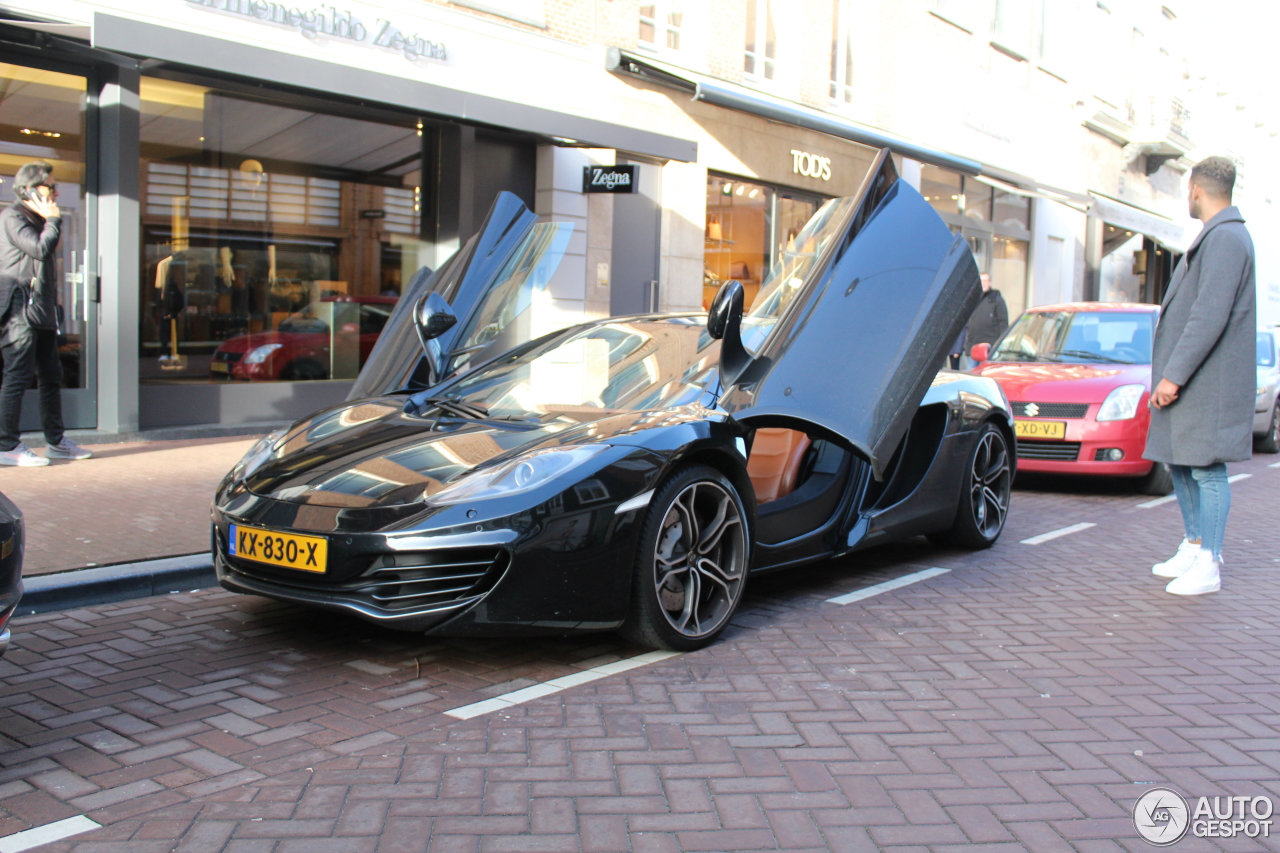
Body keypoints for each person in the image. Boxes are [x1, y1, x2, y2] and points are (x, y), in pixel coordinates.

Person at [1146, 156, 1255, 595]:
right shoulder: (1218, 236)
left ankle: (1209, 561)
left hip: (1207, 380)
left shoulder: (1227, 239)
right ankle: (1194, 545)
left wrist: (1173, 376)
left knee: (1207, 469)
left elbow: (1208, 316)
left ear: (1195, 189)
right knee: (1182, 461)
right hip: (1196, 379)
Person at [0, 162, 92, 467]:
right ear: (29, 189)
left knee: (52, 376)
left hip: (41, 311)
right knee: (17, 377)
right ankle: (7, 445)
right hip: (19, 312)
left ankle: (55, 441)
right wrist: (54, 220)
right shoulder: (13, 217)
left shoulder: (40, 219)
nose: (55, 192)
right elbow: (39, 249)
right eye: (49, 186)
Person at [964, 273, 1008, 366]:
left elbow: (1003, 324)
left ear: (990, 283)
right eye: (981, 281)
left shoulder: (996, 300)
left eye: (985, 281)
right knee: (971, 377)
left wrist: (999, 347)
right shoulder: (972, 299)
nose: (983, 284)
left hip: (989, 349)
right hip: (973, 348)